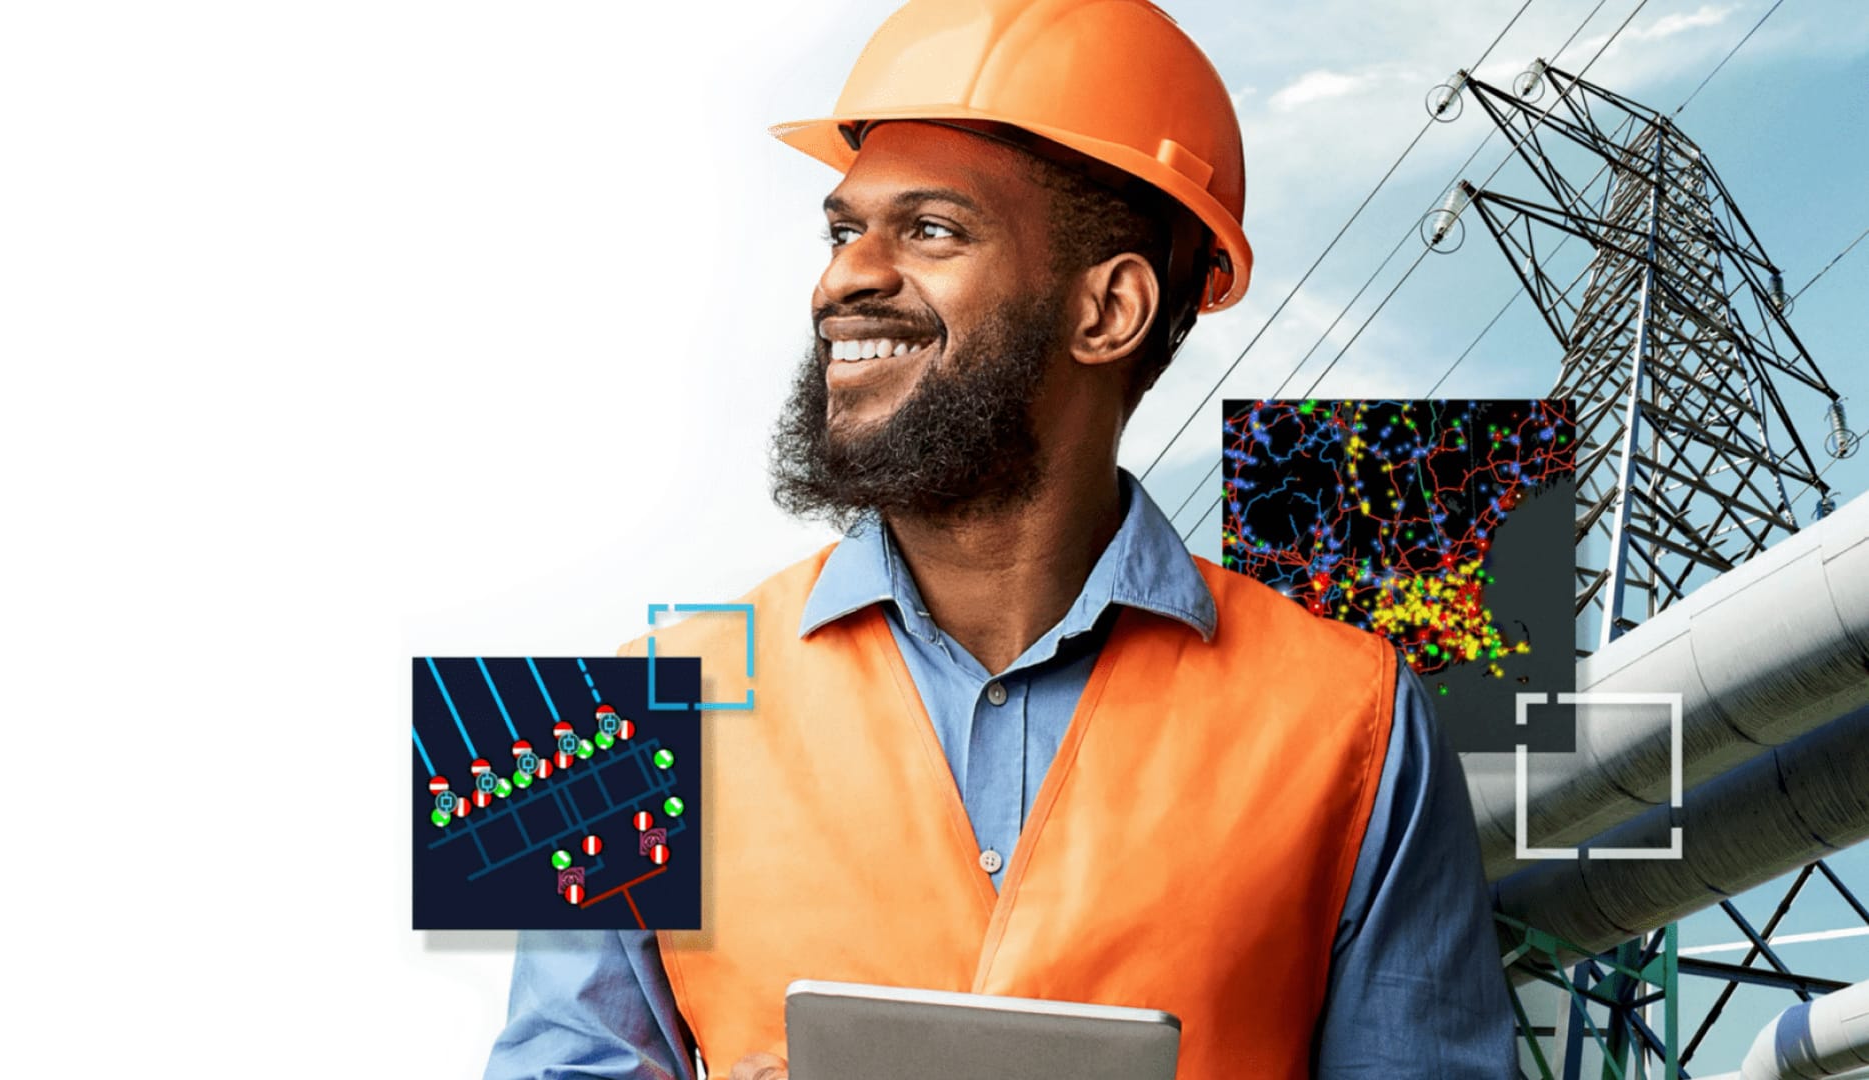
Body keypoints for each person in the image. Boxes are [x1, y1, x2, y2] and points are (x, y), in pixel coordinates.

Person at [486, 0, 1512, 1075]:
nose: (846, 277)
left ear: (1110, 309)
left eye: (929, 229)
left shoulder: (1366, 717)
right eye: (844, 230)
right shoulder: (598, 715)